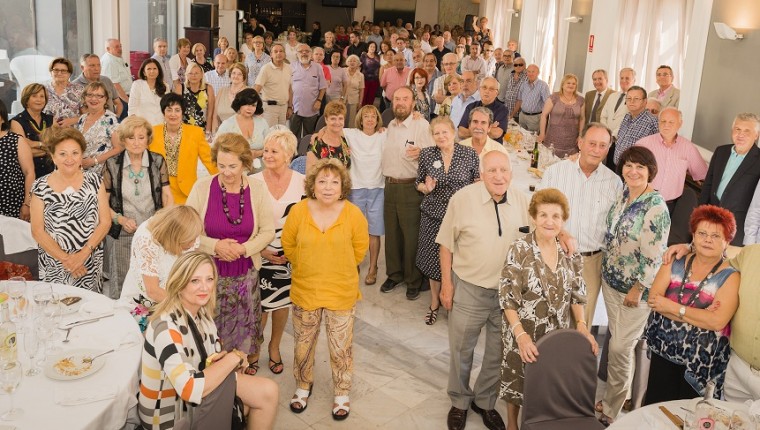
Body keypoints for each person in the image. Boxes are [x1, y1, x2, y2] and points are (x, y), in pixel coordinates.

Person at [437, 151, 530, 430]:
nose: (499, 176)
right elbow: (446, 244)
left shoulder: (523, 201)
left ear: (512, 173)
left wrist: (564, 234)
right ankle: (459, 401)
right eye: (492, 170)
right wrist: (447, 285)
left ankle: (485, 401)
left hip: (508, 296)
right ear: (481, 174)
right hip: (469, 289)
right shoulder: (462, 199)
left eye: (504, 170)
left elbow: (544, 230)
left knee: (498, 353)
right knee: (461, 350)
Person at [138, 251, 278, 430]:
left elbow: (207, 360)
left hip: (189, 401)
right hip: (170, 419)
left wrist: (226, 361)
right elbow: (189, 389)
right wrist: (234, 357)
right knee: (264, 394)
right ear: (179, 283)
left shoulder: (201, 313)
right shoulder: (165, 327)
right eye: (195, 281)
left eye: (209, 279)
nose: (204, 288)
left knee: (261, 395)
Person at [500, 188, 599, 430]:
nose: (549, 221)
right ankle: (512, 424)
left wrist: (582, 326)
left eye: (556, 216)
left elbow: (577, 293)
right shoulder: (519, 249)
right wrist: (521, 336)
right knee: (517, 380)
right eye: (543, 215)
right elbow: (507, 298)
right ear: (533, 217)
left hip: (555, 335)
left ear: (563, 221)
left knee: (548, 384)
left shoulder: (570, 252)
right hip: (521, 330)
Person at [282, 158, 369, 420]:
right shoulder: (299, 211)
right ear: (312, 185)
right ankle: (302, 385)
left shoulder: (353, 214)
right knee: (303, 344)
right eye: (322, 181)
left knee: (341, 347)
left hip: (340, 291)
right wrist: (307, 265)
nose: (328, 187)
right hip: (305, 289)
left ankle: (341, 391)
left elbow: (359, 250)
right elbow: (289, 245)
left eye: (334, 182)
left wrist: (335, 267)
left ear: (343, 186)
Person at [186, 133, 275, 374]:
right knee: (210, 335)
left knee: (243, 334)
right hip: (209, 277)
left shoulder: (257, 189)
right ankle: (214, 379)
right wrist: (214, 246)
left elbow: (268, 230)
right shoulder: (202, 187)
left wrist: (244, 249)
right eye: (221, 165)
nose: (226, 172)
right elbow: (186, 231)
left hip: (245, 275)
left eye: (233, 166)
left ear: (245, 163)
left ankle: (239, 377)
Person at [597, 146, 670, 425]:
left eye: (640, 166)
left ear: (651, 171)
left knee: (619, 348)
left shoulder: (656, 207)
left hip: (634, 291)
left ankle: (612, 409)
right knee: (619, 345)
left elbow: (654, 257)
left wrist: (638, 288)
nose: (633, 171)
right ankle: (618, 395)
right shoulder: (624, 194)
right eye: (628, 165)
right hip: (611, 282)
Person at [644, 205, 739, 403]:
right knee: (656, 406)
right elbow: (654, 300)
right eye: (702, 233)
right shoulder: (675, 260)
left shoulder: (730, 276)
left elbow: (716, 322)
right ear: (693, 236)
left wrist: (671, 306)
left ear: (727, 242)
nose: (707, 240)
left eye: (716, 236)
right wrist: (700, 315)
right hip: (663, 350)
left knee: (688, 413)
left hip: (700, 363)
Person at [539, 123, 623, 326]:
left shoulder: (614, 183)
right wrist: (560, 233)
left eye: (602, 145)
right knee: (547, 319)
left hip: (591, 263)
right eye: (592, 143)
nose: (596, 150)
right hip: (554, 255)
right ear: (580, 143)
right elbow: (538, 212)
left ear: (608, 149)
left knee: (581, 324)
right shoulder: (555, 172)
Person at [415, 117, 479, 325]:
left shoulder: (469, 154)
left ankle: (455, 304)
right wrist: (426, 188)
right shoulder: (427, 154)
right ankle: (434, 303)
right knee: (433, 261)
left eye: (445, 132)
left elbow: (477, 182)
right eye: (437, 133)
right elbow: (418, 182)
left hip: (461, 217)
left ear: (453, 132)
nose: (441, 136)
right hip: (433, 215)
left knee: (459, 262)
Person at [30, 127, 111, 291]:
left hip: (88, 261)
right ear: (53, 157)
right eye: (62, 154)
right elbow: (37, 231)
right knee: (55, 303)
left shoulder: (95, 181)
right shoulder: (40, 186)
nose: (69, 159)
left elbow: (105, 222)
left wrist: (82, 256)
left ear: (81, 155)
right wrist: (67, 260)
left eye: (75, 153)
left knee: (90, 305)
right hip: (55, 264)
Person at [251, 130, 305, 374]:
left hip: (290, 256)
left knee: (282, 304)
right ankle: (254, 349)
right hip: (259, 252)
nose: (268, 155)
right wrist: (261, 250)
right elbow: (247, 222)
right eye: (266, 150)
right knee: (260, 306)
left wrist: (295, 252)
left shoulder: (303, 182)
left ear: (288, 154)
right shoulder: (253, 182)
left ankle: (274, 347)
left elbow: (308, 218)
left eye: (274, 151)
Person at [103, 116, 173, 298]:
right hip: (122, 234)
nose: (136, 143)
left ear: (148, 139)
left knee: (151, 285)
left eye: (141, 137)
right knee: (122, 286)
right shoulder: (112, 164)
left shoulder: (157, 161)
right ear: (123, 139)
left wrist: (160, 221)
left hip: (152, 234)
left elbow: (167, 196)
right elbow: (102, 202)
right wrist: (120, 219)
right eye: (131, 137)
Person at [380, 86, 434, 300]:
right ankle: (394, 274)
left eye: (405, 99)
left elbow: (434, 154)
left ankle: (413, 280)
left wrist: (422, 153)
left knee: (411, 237)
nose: (400, 102)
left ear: (413, 103)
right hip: (389, 186)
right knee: (392, 234)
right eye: (397, 99)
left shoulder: (422, 125)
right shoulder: (390, 126)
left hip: (411, 188)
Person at [120, 205, 202, 330]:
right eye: (189, 240)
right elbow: (153, 290)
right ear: (174, 236)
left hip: (176, 300)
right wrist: (186, 305)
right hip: (145, 304)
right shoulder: (146, 240)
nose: (193, 243)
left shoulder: (189, 232)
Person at [699, 112, 760, 247]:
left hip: (737, 227)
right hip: (711, 220)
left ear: (756, 135)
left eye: (747, 131)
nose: (741, 134)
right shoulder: (721, 151)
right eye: (737, 129)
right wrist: (699, 216)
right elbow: (708, 185)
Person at [343, 105, 386, 285]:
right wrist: (317, 134)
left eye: (373, 116)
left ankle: (373, 267)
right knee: (355, 230)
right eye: (366, 116)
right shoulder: (351, 134)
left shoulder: (384, 134)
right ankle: (355, 263)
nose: (369, 119)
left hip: (378, 188)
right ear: (360, 120)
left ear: (377, 120)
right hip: (356, 188)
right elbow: (328, 129)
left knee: (374, 231)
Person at [149, 93, 218, 204]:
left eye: (177, 110)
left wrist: (223, 179)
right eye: (169, 110)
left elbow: (209, 160)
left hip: (187, 192)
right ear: (163, 112)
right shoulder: (152, 132)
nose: (173, 114)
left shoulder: (195, 133)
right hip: (159, 190)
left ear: (182, 112)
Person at [634, 108, 708, 211]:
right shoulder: (643, 144)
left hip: (671, 205)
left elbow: (702, 174)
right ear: (658, 122)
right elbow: (632, 171)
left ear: (680, 124)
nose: (666, 125)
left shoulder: (688, 148)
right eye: (663, 121)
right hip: (643, 201)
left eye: (671, 122)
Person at [75, 81, 123, 175]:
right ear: (84, 98)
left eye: (99, 96)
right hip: (80, 171)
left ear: (106, 99)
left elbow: (118, 148)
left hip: (102, 173)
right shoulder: (82, 119)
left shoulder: (111, 119)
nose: (93, 99)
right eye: (90, 95)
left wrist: (94, 161)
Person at [217, 88, 270, 173]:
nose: (250, 108)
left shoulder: (262, 122)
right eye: (247, 104)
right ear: (240, 104)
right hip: (235, 170)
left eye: (253, 105)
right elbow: (216, 149)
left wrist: (258, 153)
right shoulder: (227, 124)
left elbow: (271, 146)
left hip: (262, 168)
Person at [10, 83, 55, 178]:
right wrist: (45, 147)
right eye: (34, 96)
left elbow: (57, 146)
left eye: (42, 96)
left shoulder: (51, 119)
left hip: (52, 173)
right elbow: (21, 152)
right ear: (26, 99)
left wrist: (31, 144)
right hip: (28, 174)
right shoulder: (16, 122)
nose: (39, 99)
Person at [0, 101, 34, 220]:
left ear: (2, 119)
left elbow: (29, 173)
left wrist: (27, 203)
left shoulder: (16, 140)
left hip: (12, 205)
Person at [538, 73, 585, 158]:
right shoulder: (553, 97)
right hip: (553, 139)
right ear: (562, 85)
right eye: (568, 83)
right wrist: (542, 133)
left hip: (572, 141)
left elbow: (582, 118)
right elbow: (544, 115)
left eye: (573, 83)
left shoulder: (581, 100)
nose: (571, 85)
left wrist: (580, 135)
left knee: (568, 163)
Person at [612, 86, 659, 167]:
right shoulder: (627, 116)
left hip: (635, 170)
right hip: (619, 167)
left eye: (636, 99)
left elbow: (657, 151)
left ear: (645, 101)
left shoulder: (652, 122)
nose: (632, 101)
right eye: (629, 98)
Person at [290, 44, 327, 138]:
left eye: (307, 51)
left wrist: (319, 101)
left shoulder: (318, 67)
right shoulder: (291, 66)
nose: (304, 53)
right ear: (297, 54)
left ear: (311, 53)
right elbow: (287, 86)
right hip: (294, 107)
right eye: (301, 51)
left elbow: (323, 86)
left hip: (311, 108)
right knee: (293, 135)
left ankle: (306, 148)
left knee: (309, 135)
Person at [457, 77, 508, 143]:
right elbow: (461, 132)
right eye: (484, 87)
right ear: (479, 89)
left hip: (491, 147)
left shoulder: (502, 109)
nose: (487, 91)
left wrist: (472, 129)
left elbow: (496, 133)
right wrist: (488, 128)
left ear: (496, 93)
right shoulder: (471, 107)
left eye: (491, 89)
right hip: (471, 147)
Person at [254, 43, 293, 128]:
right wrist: (255, 108)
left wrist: (290, 107)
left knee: (281, 133)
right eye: (275, 51)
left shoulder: (289, 68)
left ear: (284, 54)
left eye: (281, 51)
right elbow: (256, 89)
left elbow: (289, 89)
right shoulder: (266, 69)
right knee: (270, 134)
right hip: (269, 109)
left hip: (284, 107)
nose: (279, 53)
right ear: (271, 55)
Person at [306, 100, 351, 172]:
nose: (337, 122)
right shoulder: (316, 144)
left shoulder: (346, 140)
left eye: (340, 118)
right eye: (333, 118)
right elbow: (310, 174)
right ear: (326, 119)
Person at [174, 62, 216, 134]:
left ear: (201, 75)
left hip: (202, 130)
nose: (193, 76)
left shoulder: (208, 88)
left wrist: (208, 132)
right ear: (187, 75)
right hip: (184, 130)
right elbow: (176, 112)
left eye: (196, 73)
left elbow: (210, 114)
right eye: (190, 73)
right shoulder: (180, 88)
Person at [43, 57, 84, 128]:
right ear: (51, 72)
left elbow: (87, 114)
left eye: (63, 71)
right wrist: (49, 121)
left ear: (69, 73)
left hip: (72, 131)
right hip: (49, 132)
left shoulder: (79, 90)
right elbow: (35, 113)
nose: (59, 73)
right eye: (56, 70)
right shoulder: (42, 90)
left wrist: (72, 120)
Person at [128, 58, 168, 126]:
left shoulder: (165, 86)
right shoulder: (137, 85)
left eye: (155, 68)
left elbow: (167, 108)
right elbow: (132, 108)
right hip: (143, 126)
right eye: (149, 69)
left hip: (161, 125)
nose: (152, 71)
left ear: (159, 71)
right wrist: (136, 126)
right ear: (144, 72)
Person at [100, 38, 133, 119]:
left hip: (125, 97)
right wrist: (128, 101)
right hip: (121, 100)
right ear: (108, 49)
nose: (120, 49)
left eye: (120, 46)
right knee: (122, 124)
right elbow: (115, 85)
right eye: (116, 47)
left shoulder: (116, 57)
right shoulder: (109, 62)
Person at [600, 68, 636, 139]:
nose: (624, 80)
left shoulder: (635, 99)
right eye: (621, 78)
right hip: (605, 136)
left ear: (634, 81)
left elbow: (629, 121)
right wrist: (607, 132)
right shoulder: (612, 96)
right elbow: (603, 116)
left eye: (627, 78)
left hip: (621, 138)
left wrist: (613, 135)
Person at [513, 64, 550, 132]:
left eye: (533, 71)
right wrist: (512, 114)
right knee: (520, 135)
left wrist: (544, 118)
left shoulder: (543, 85)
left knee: (532, 137)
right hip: (522, 116)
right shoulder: (524, 84)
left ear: (538, 73)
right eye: (529, 71)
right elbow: (519, 100)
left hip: (535, 118)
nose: (530, 74)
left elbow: (548, 104)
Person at [215, 62, 249, 128]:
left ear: (244, 77)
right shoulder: (221, 91)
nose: (236, 76)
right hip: (223, 131)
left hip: (242, 131)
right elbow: (215, 116)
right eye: (233, 73)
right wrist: (215, 132)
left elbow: (256, 116)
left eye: (239, 74)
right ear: (230, 75)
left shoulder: (249, 92)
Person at [344, 55, 364, 126]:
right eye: (350, 61)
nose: (352, 62)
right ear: (347, 62)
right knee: (341, 117)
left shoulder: (361, 75)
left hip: (354, 99)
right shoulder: (343, 71)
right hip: (342, 98)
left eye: (354, 61)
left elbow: (361, 90)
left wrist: (360, 103)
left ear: (358, 63)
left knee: (352, 119)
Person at [360, 41, 381, 106]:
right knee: (363, 97)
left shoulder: (378, 56)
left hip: (375, 80)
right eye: (371, 46)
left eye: (374, 47)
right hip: (364, 80)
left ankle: (369, 110)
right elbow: (359, 66)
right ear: (368, 48)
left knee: (371, 98)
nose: (372, 48)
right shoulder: (363, 55)